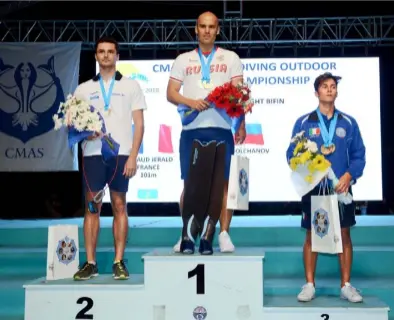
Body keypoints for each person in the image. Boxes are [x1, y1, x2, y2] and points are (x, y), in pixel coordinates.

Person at [166, 11, 246, 253]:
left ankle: (222, 233)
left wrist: (240, 122)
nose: (207, 30)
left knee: (222, 186)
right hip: (192, 128)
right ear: (196, 29)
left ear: (218, 30)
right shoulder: (183, 59)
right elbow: (171, 93)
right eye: (203, 26)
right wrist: (191, 102)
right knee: (190, 184)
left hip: (221, 128)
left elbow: (239, 94)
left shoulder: (231, 57)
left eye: (212, 27)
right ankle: (188, 233)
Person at [286, 72, 366, 302]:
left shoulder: (348, 123)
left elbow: (359, 155)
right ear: (316, 92)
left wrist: (349, 175)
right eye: (324, 86)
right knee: (312, 234)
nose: (329, 89)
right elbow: (291, 154)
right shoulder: (303, 122)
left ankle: (346, 285)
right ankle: (309, 284)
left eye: (332, 86)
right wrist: (307, 168)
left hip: (341, 189)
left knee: (344, 234)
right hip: (314, 188)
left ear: (336, 92)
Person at [72, 36, 147, 280]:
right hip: (93, 155)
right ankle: (90, 262)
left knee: (119, 206)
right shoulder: (83, 89)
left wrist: (134, 156)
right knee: (92, 207)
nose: (105, 55)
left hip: (120, 154)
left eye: (110, 51)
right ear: (95, 56)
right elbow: (72, 125)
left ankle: (118, 261)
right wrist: (85, 132)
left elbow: (139, 123)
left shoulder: (131, 86)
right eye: (101, 51)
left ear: (117, 56)